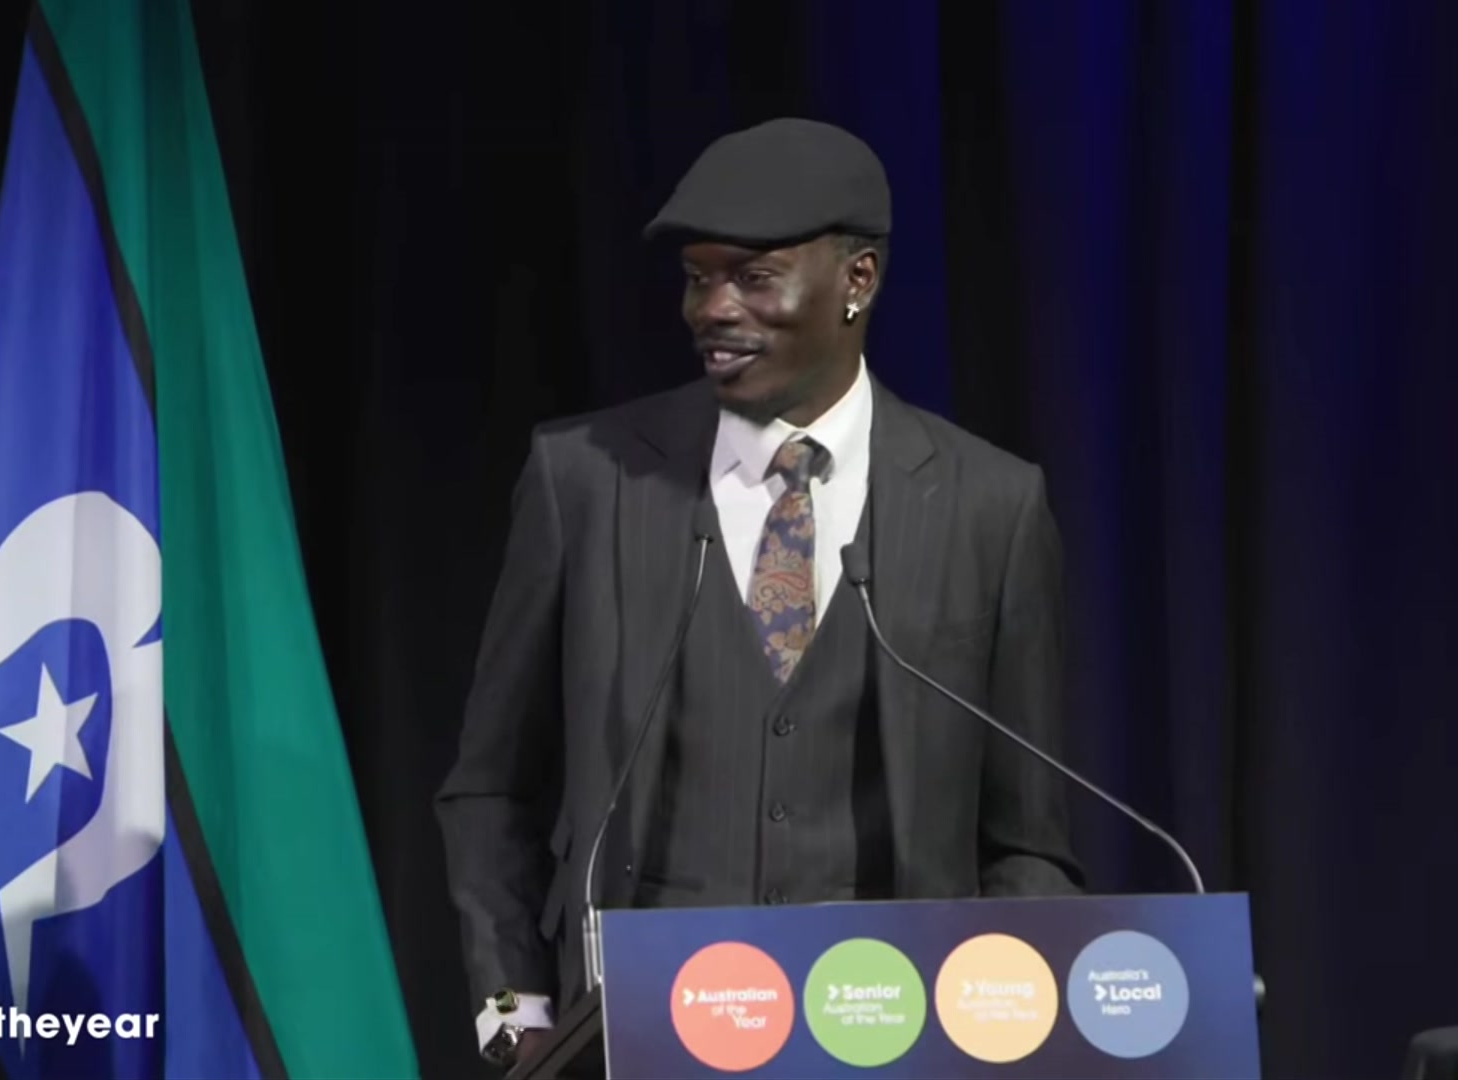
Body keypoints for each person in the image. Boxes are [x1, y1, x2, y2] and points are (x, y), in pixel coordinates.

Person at [434, 117, 1084, 1072]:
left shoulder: (991, 507)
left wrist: (1017, 1030)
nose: (713, 309)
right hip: (638, 1043)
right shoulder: (588, 479)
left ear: (857, 282)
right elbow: (490, 787)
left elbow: (1027, 840)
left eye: (753, 276)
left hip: (893, 1043)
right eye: (700, 277)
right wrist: (510, 1009)